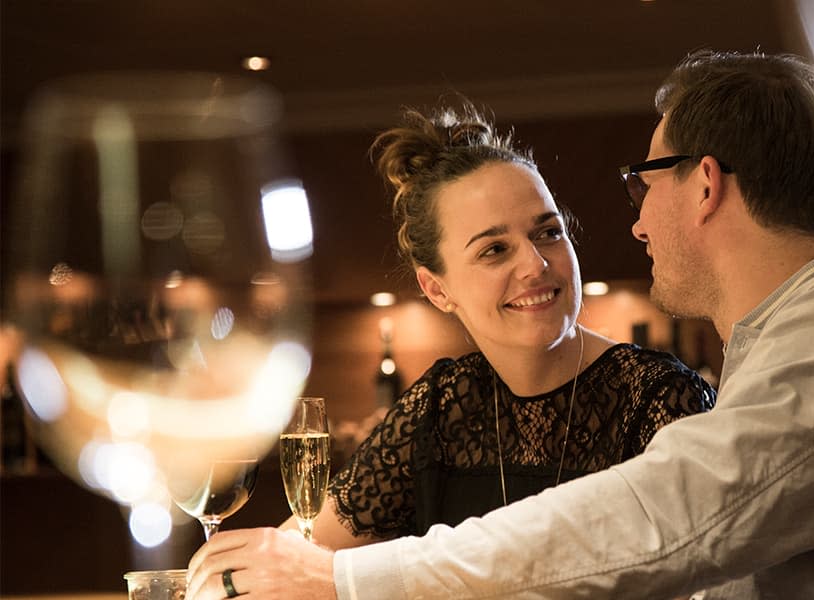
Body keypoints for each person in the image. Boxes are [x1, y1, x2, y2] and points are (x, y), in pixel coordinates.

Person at [187, 51, 814, 599]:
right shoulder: (797, 340)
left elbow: (666, 519)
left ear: (704, 184)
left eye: (646, 180)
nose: (635, 221)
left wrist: (345, 581)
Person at [183, 103, 714, 599]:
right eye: (494, 249)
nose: (535, 264)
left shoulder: (662, 399)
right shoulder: (442, 405)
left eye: (548, 232)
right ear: (437, 289)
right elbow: (299, 554)